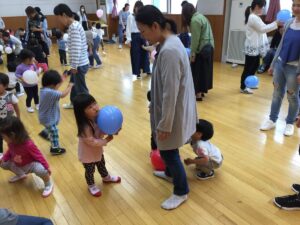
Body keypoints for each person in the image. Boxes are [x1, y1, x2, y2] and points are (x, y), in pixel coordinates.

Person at [136, 5, 197, 210]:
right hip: (174, 110)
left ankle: (181, 191)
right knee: (169, 150)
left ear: (155, 26)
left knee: (169, 153)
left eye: (144, 31)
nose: (143, 37)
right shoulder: (171, 41)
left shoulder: (169, 50)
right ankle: (170, 174)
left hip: (172, 113)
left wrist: (164, 124)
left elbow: (170, 93)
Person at [260, 0, 300, 136]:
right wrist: (272, 64)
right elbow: (281, 45)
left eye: (299, 5)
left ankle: (289, 123)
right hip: (280, 64)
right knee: (277, 93)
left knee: (292, 96)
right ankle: (272, 119)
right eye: (294, 5)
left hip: (294, 68)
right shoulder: (289, 22)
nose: (295, 8)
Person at [73, 93, 121, 197]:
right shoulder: (84, 127)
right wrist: (106, 141)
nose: (95, 108)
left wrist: (112, 131)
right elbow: (92, 141)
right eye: (90, 107)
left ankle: (106, 177)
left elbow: (100, 131)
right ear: (82, 113)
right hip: (87, 154)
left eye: (94, 103)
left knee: (101, 164)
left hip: (97, 151)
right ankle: (91, 185)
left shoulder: (97, 118)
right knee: (90, 170)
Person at [0, 117, 53, 197]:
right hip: (17, 164)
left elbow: (39, 155)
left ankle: (48, 184)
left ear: (12, 135)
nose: (3, 139)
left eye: (3, 136)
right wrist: (3, 159)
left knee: (41, 170)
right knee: (2, 163)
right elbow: (10, 151)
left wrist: (46, 167)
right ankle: (21, 175)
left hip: (30, 165)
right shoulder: (11, 142)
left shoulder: (28, 145)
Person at [54, 4, 89, 109]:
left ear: (64, 15)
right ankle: (73, 103)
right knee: (73, 84)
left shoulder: (73, 27)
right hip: (79, 63)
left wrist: (74, 66)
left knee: (82, 89)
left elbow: (76, 48)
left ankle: (88, 107)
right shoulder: (75, 25)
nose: (59, 21)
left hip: (79, 64)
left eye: (58, 17)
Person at [239, 0, 279, 94]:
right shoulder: (253, 17)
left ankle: (249, 84)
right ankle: (243, 87)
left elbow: (264, 27)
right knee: (248, 68)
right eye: (262, 6)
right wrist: (276, 23)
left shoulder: (256, 17)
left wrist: (274, 24)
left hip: (255, 47)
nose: (263, 8)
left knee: (255, 66)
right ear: (257, 6)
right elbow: (263, 29)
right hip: (252, 47)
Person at [182, 3, 214, 101]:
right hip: (210, 47)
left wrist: (192, 54)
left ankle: (198, 94)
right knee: (205, 71)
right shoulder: (201, 16)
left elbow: (195, 40)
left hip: (201, 49)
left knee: (196, 71)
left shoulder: (194, 20)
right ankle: (202, 91)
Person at [39, 70, 73, 155]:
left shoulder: (45, 89)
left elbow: (56, 86)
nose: (59, 85)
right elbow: (63, 95)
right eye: (58, 84)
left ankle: (45, 133)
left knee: (52, 126)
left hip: (46, 116)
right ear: (52, 85)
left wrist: (63, 78)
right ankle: (55, 148)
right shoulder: (50, 93)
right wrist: (69, 86)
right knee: (54, 131)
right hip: (48, 118)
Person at [126, 1, 150, 79]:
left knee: (145, 53)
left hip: (143, 35)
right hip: (134, 36)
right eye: (137, 8)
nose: (138, 10)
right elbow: (128, 29)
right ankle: (137, 72)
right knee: (136, 55)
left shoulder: (143, 17)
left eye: (140, 8)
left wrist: (147, 38)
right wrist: (128, 40)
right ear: (135, 8)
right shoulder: (130, 16)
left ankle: (146, 69)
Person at [0, 73, 20, 159]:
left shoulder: (10, 96)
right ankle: (0, 153)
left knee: (11, 137)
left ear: (5, 86)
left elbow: (16, 106)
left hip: (9, 121)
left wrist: (18, 117)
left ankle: (14, 151)